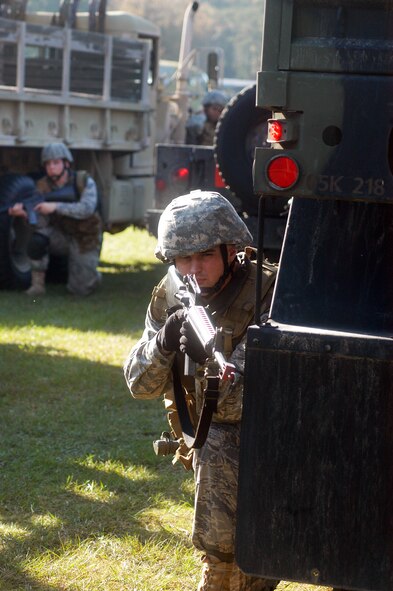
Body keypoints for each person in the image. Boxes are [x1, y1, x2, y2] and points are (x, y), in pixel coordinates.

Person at [123, 190, 278, 591]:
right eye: (183, 258)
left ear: (232, 250)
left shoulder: (265, 294)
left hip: (272, 437)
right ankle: (222, 570)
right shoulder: (172, 293)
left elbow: (246, 400)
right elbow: (139, 385)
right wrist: (163, 345)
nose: (194, 269)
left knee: (223, 446)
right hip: (212, 440)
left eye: (206, 255)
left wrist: (208, 361)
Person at [8, 142, 102, 296]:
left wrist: (56, 206)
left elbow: (87, 209)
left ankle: (93, 276)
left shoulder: (83, 181)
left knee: (80, 290)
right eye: (48, 164)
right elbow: (40, 224)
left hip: (85, 237)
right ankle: (37, 285)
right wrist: (25, 213)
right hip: (61, 236)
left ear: (66, 163)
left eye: (56, 163)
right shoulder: (42, 186)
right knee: (37, 240)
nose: (51, 167)